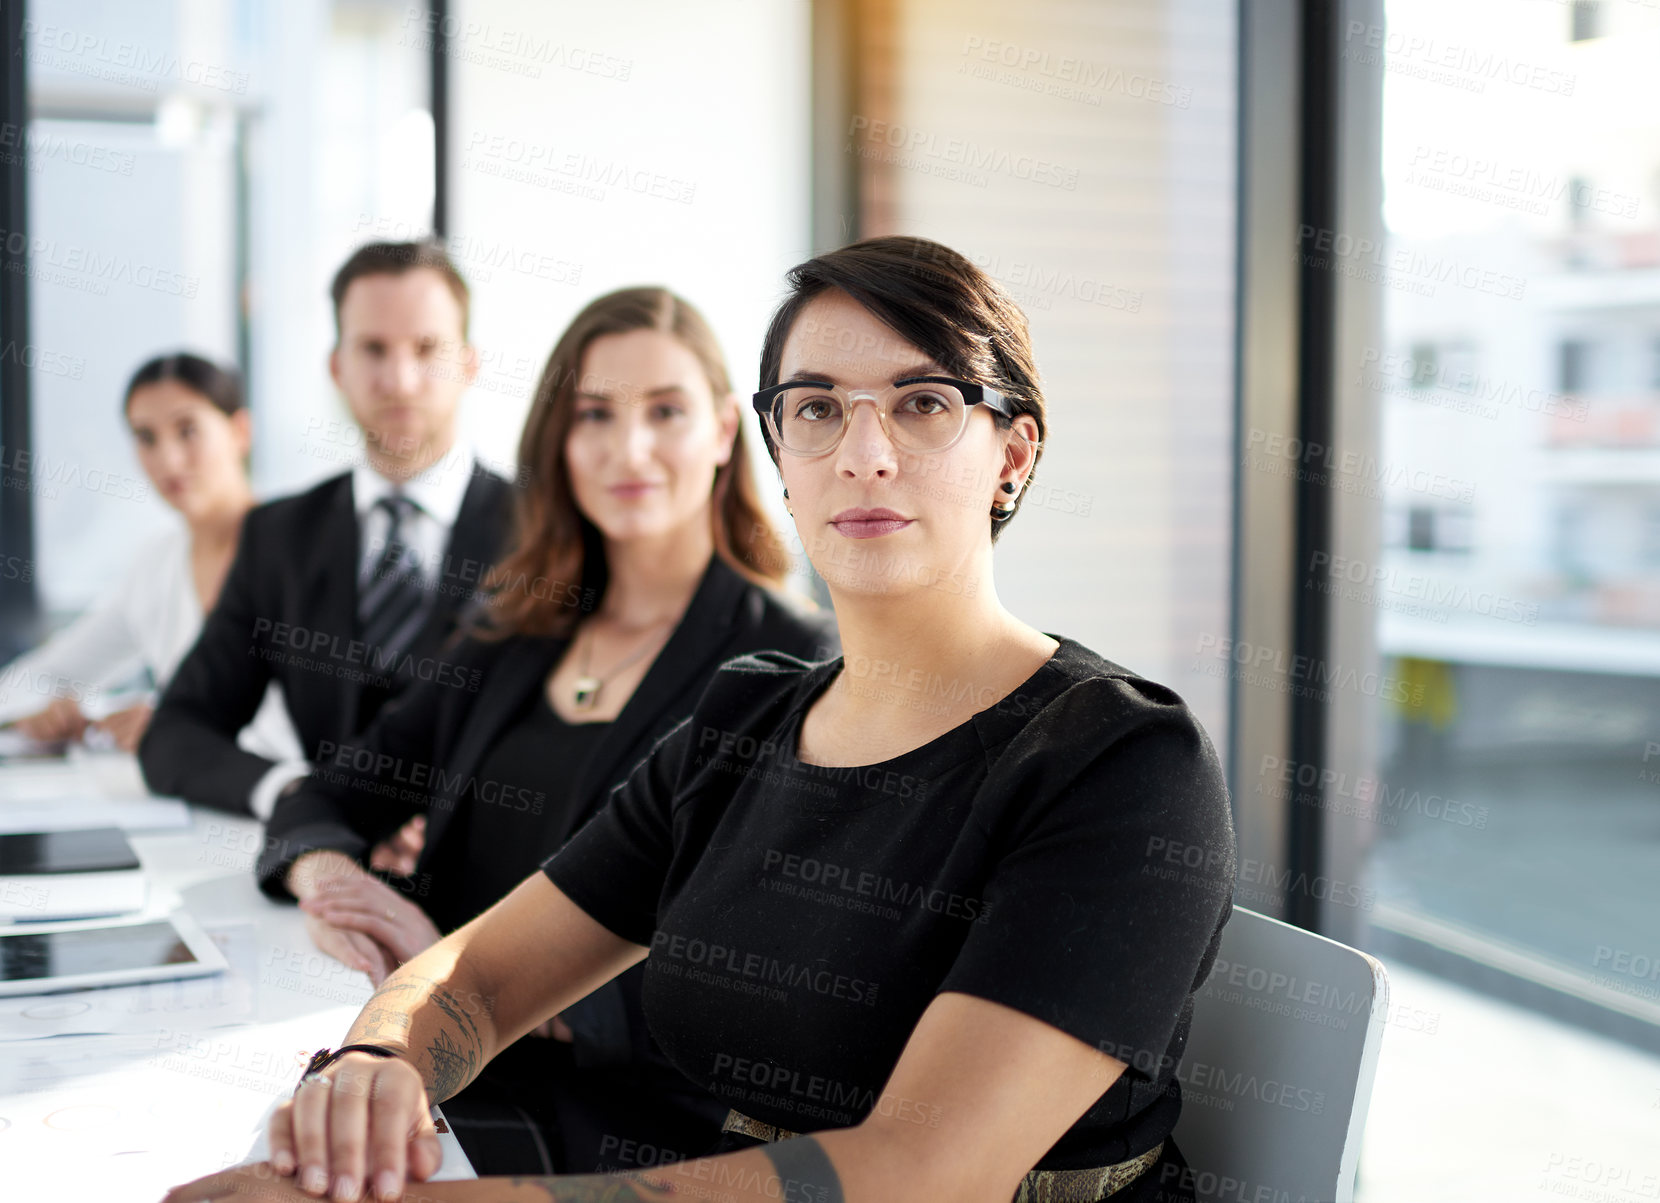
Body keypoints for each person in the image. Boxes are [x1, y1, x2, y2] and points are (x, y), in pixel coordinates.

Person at [166, 236, 1236, 1203]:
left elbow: (924, 1175)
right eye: (815, 407)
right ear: (775, 450)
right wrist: (376, 1069)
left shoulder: (1120, 759)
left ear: (1011, 454)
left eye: (922, 403)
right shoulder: (747, 716)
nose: (862, 452)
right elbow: (476, 975)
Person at [252, 286, 837, 1175]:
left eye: (666, 412)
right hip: (446, 1066)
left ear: (723, 431)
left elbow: (773, 966)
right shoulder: (514, 630)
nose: (626, 449)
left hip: (629, 1127)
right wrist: (327, 873)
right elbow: (330, 791)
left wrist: (478, 979)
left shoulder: (787, 657)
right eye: (594, 414)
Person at [138, 242, 515, 826]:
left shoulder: (542, 532)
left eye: (426, 348)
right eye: (373, 349)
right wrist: (293, 793)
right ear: (337, 367)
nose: (400, 379)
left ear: (468, 363)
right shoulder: (280, 536)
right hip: (323, 873)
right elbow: (175, 734)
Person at [0, 353, 300, 763]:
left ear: (240, 431)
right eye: (146, 438)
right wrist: (46, 713)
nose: (169, 460)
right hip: (189, 814)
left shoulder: (302, 548)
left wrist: (176, 725)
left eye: (188, 430)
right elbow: (33, 680)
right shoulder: (158, 566)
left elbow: (319, 723)